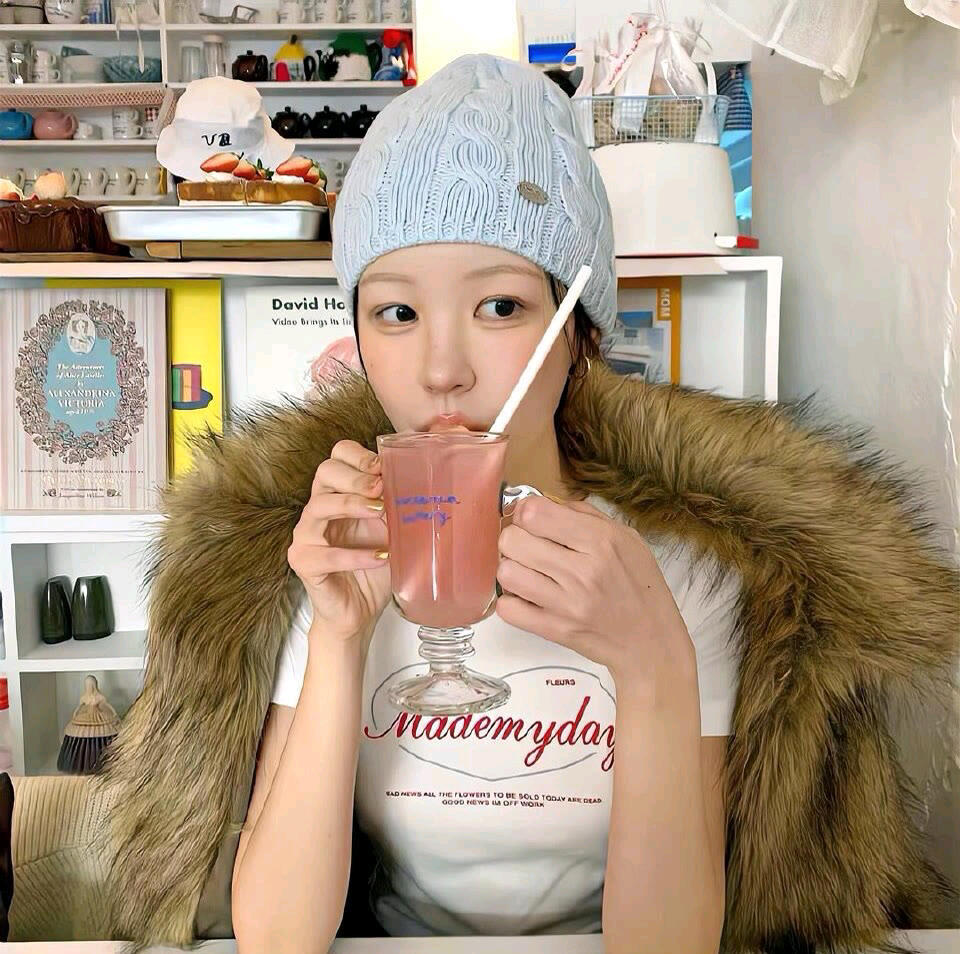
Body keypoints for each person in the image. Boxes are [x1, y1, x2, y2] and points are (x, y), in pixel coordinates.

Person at [93, 55, 957, 954]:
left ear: (579, 332)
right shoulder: (335, 556)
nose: (442, 370)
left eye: (501, 306)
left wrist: (655, 664)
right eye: (396, 314)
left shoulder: (680, 569)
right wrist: (340, 638)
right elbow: (278, 937)